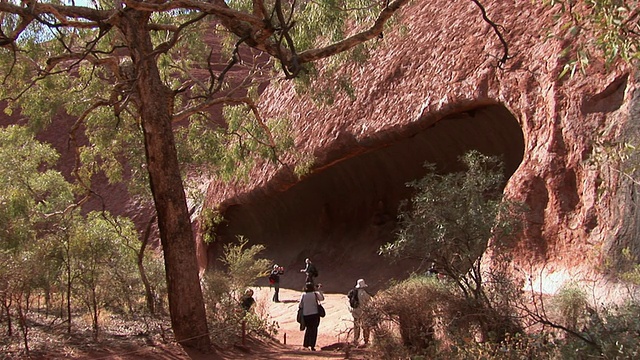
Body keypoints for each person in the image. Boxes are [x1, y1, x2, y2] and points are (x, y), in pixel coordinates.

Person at [298, 282, 324, 351]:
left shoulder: (303, 295)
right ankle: (312, 345)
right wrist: (319, 290)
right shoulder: (315, 294)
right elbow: (322, 299)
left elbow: (300, 305)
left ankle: (305, 345)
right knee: (314, 330)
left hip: (306, 315)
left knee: (308, 329)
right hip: (315, 314)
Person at [349, 279, 372, 347]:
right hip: (363, 312)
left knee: (356, 326)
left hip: (355, 312)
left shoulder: (354, 293)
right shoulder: (364, 293)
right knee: (365, 326)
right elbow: (369, 301)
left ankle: (356, 340)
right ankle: (366, 340)